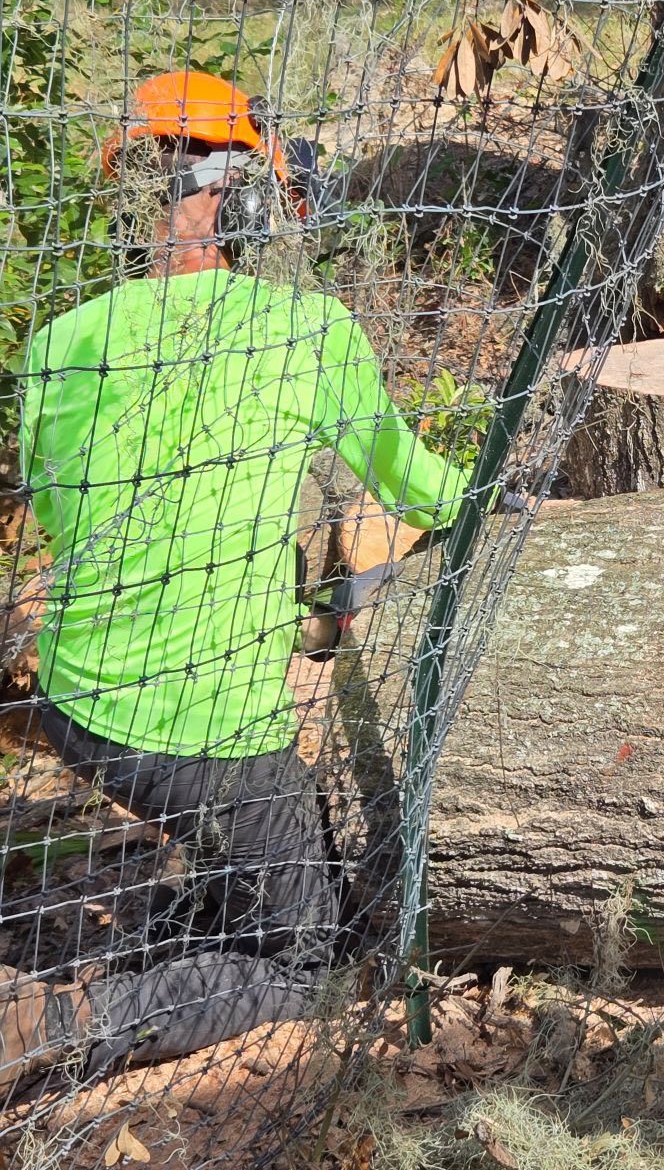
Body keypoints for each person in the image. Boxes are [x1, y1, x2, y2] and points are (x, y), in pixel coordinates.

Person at [0, 70, 470, 1090]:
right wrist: (494, 489)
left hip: (80, 705)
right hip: (203, 728)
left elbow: (78, 518)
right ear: (248, 200)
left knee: (248, 848)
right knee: (303, 956)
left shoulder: (54, 346)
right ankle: (66, 1022)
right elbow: (424, 488)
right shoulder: (309, 333)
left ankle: (178, 925)